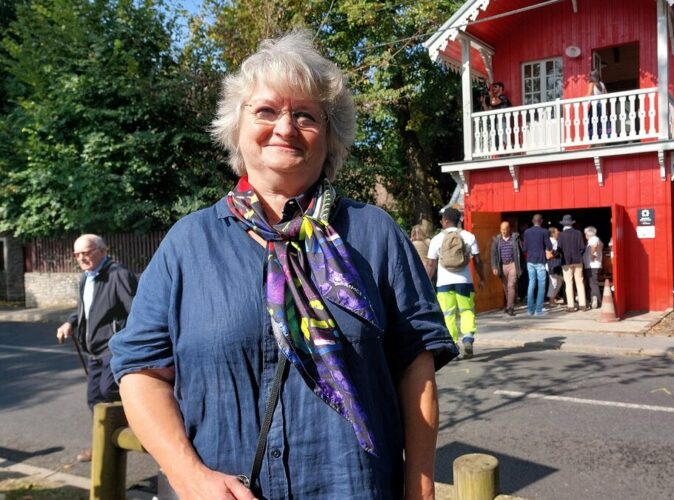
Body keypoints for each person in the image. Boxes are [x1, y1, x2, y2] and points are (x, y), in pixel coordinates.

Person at [109, 31, 457, 500]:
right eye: (266, 111)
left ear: (330, 135)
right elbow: (140, 373)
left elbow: (416, 369)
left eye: (305, 115)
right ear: (236, 127)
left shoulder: (375, 235)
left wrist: (420, 487)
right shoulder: (187, 244)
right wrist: (189, 476)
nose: (285, 127)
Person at [56, 234, 137, 462]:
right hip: (93, 351)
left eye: (87, 252)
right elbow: (85, 309)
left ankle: (138, 430)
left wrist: (127, 344)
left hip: (114, 348)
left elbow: (136, 312)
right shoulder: (86, 277)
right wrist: (70, 322)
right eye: (77, 254)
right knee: (94, 399)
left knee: (107, 391)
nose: (82, 258)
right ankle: (101, 444)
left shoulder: (117, 275)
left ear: (102, 250)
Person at [426, 207, 485, 359]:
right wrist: (482, 278)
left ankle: (453, 344)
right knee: (467, 311)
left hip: (444, 283)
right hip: (464, 281)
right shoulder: (469, 236)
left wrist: (426, 283)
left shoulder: (437, 239)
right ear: (459, 220)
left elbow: (431, 264)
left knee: (448, 314)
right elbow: (478, 261)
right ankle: (468, 338)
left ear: (445, 221)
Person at [489, 221, 522, 316]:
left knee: (511, 285)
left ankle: (510, 307)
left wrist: (521, 266)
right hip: (502, 265)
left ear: (509, 229)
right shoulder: (497, 240)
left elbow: (521, 253)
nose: (503, 231)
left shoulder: (515, 238)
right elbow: (493, 254)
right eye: (502, 230)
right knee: (505, 286)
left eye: (505, 229)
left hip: (513, 265)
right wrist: (494, 266)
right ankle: (509, 305)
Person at [522, 214, 552, 316]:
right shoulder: (544, 231)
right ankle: (538, 310)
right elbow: (549, 246)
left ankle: (530, 310)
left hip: (530, 260)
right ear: (541, 221)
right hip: (540, 260)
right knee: (541, 285)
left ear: (532, 220)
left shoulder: (527, 232)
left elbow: (524, 248)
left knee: (531, 284)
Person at [557, 214, 588, 311]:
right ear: (572, 224)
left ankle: (571, 306)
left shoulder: (561, 235)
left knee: (569, 283)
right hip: (578, 260)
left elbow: (559, 249)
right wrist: (578, 255)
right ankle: (583, 305)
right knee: (579, 282)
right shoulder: (578, 233)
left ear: (563, 224)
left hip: (566, 262)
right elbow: (583, 248)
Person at [583, 226, 604, 308]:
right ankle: (593, 299)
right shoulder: (595, 239)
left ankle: (597, 301)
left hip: (593, 265)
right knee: (591, 283)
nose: (585, 235)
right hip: (592, 265)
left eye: (585, 234)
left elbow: (594, 246)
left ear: (588, 234)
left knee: (593, 283)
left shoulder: (593, 239)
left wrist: (592, 254)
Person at [587, 70, 608, 139]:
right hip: (602, 106)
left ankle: (592, 139)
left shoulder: (592, 84)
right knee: (601, 123)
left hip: (595, 106)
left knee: (592, 123)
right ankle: (602, 139)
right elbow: (606, 95)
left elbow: (589, 95)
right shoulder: (602, 84)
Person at [546, 227, 564, 307]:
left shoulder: (555, 241)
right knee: (553, 282)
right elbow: (548, 255)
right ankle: (551, 301)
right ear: (553, 233)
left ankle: (553, 298)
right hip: (551, 264)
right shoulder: (550, 242)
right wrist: (557, 254)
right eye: (557, 231)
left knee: (559, 281)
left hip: (556, 264)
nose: (559, 232)